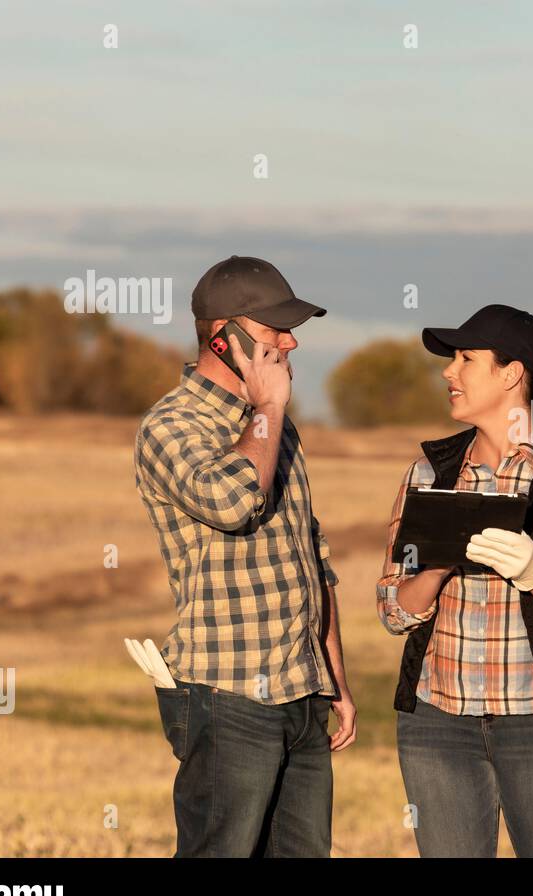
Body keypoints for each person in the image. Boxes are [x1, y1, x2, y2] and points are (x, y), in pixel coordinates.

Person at [376, 303, 533, 857]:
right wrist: (439, 562)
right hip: (436, 727)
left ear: (512, 374)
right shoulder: (427, 475)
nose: (449, 372)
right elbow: (393, 610)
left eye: (466, 359)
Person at [134, 255, 358, 857]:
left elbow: (312, 555)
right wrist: (268, 409)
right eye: (273, 331)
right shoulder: (170, 426)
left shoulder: (277, 427)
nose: (291, 342)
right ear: (221, 338)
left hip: (301, 691)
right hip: (226, 696)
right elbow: (234, 502)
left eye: (291, 329)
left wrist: (333, 677)